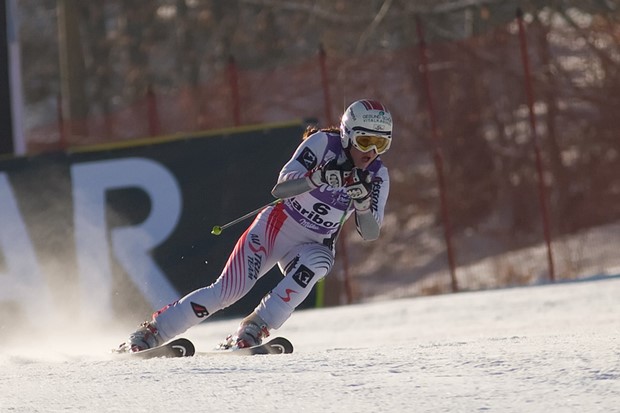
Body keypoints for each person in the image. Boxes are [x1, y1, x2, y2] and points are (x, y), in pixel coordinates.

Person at [119, 99, 393, 352]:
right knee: (227, 291)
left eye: (380, 145)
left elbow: (370, 232)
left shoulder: (378, 174)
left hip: (314, 244)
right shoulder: (323, 143)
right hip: (275, 229)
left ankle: (254, 327)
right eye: (365, 140)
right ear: (347, 134)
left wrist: (363, 203)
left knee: (318, 264)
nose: (371, 152)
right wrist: (318, 177)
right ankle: (154, 331)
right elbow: (281, 188)